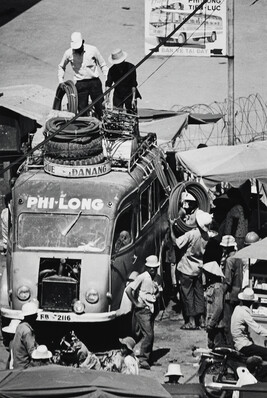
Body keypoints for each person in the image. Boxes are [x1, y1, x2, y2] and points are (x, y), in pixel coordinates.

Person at [170, 209, 213, 330]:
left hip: (187, 269)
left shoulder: (192, 234)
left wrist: (171, 227)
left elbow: (176, 243)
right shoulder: (206, 235)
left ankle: (191, 321)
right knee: (199, 293)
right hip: (198, 269)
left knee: (187, 295)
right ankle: (202, 320)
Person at [58, 32, 108, 119]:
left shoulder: (93, 50)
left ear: (83, 42)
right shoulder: (68, 53)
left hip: (94, 83)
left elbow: (103, 64)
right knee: (82, 111)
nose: (77, 50)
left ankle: (101, 126)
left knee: (100, 108)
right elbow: (61, 66)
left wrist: (107, 79)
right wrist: (61, 81)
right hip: (80, 84)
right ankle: (86, 129)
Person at [126, 255, 162, 370]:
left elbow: (159, 292)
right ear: (146, 268)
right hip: (142, 310)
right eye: (150, 268)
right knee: (148, 335)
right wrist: (136, 303)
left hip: (151, 309)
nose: (152, 270)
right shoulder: (142, 277)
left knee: (150, 334)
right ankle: (143, 359)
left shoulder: (158, 278)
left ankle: (148, 358)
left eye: (155, 268)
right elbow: (129, 290)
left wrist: (154, 297)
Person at [220, 235, 244, 347]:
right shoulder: (239, 257)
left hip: (229, 295)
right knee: (235, 321)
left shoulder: (229, 260)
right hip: (238, 292)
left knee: (228, 322)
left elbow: (227, 280)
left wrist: (221, 294)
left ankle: (230, 344)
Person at [231, 288, 267, 360]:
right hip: (243, 345)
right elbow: (257, 329)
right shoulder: (245, 313)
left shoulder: (237, 308)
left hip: (238, 342)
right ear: (251, 302)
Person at [105, 48, 141, 113]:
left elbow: (133, 84)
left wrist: (133, 99)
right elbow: (108, 84)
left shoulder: (131, 67)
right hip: (118, 94)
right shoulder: (112, 70)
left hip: (129, 93)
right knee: (117, 114)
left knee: (132, 113)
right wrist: (107, 98)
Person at [202, 261, 226, 349]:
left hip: (216, 324)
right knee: (210, 345)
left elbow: (219, 307)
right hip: (210, 323)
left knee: (217, 347)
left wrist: (212, 322)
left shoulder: (218, 287)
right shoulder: (210, 286)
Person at [12, 301, 39, 369]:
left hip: (17, 364)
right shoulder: (27, 331)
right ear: (33, 316)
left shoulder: (20, 326)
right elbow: (32, 353)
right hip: (24, 366)